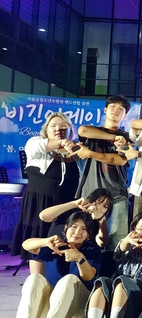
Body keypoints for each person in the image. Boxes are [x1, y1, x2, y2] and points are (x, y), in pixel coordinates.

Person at [9, 212, 101, 318]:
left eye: (84, 229)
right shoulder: (55, 246)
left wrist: (80, 258)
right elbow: (26, 244)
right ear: (65, 228)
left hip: (74, 310)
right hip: (50, 309)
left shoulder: (91, 249)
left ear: (88, 234)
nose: (77, 232)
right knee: (34, 278)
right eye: (74, 226)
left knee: (70, 279)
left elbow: (89, 277)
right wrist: (46, 241)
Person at [11, 112, 80, 273]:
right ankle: (38, 282)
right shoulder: (35, 143)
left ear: (70, 130)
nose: (58, 129)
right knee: (38, 247)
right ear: (46, 129)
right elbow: (37, 147)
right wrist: (61, 142)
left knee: (63, 244)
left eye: (63, 127)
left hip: (66, 206)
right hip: (39, 204)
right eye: (53, 126)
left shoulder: (77, 152)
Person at [74, 94, 133, 250]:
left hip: (116, 195)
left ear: (125, 115)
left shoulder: (127, 137)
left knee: (117, 241)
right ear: (105, 110)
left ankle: (113, 266)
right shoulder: (93, 131)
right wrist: (114, 137)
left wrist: (90, 154)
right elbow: (83, 130)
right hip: (89, 194)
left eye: (121, 109)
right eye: (113, 107)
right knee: (86, 237)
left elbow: (120, 160)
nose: (116, 110)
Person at [40, 188, 113, 249]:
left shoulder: (99, 225)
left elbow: (102, 243)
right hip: (52, 251)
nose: (99, 208)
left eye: (105, 206)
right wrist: (74, 204)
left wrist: (101, 219)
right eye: (98, 202)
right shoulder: (70, 211)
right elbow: (43, 216)